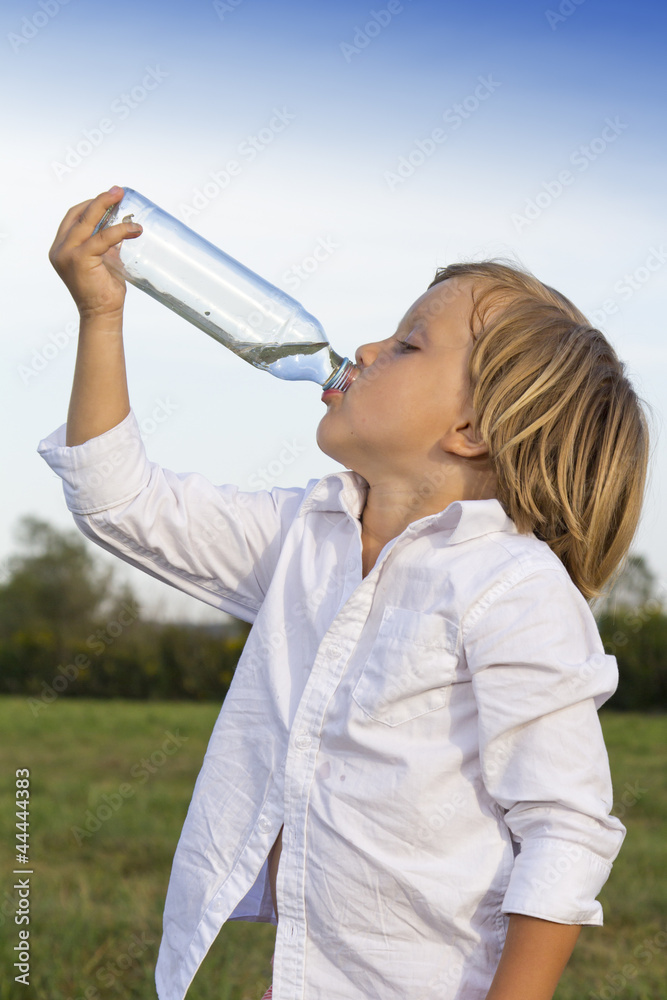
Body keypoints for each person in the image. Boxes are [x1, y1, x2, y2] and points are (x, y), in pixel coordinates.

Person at [39, 186, 650, 1000]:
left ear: (468, 430)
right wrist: (102, 319)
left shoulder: (512, 589)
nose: (362, 346)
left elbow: (564, 826)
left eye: (405, 344)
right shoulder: (306, 534)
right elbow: (122, 504)